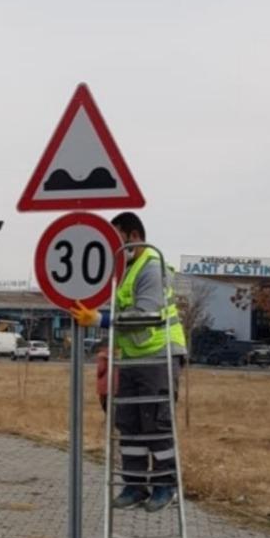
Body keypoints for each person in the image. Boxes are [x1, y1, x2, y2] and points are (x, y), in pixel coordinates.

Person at [72, 212, 186, 512]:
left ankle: (165, 486)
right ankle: (135, 485)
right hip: (133, 358)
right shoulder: (125, 269)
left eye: (115, 239)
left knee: (156, 423)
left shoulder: (150, 266)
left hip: (159, 354)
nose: (111, 248)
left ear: (133, 236)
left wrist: (101, 319)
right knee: (129, 424)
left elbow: (147, 314)